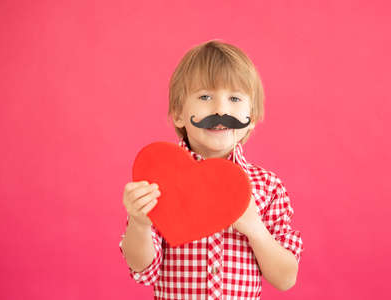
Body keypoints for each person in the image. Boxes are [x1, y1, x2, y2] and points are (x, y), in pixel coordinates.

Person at [119, 39, 304, 300]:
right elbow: (142, 269)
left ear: (251, 117)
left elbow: (285, 278)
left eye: (235, 98)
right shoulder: (159, 182)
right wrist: (139, 223)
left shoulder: (267, 186)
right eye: (205, 96)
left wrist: (255, 228)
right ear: (179, 114)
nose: (220, 109)